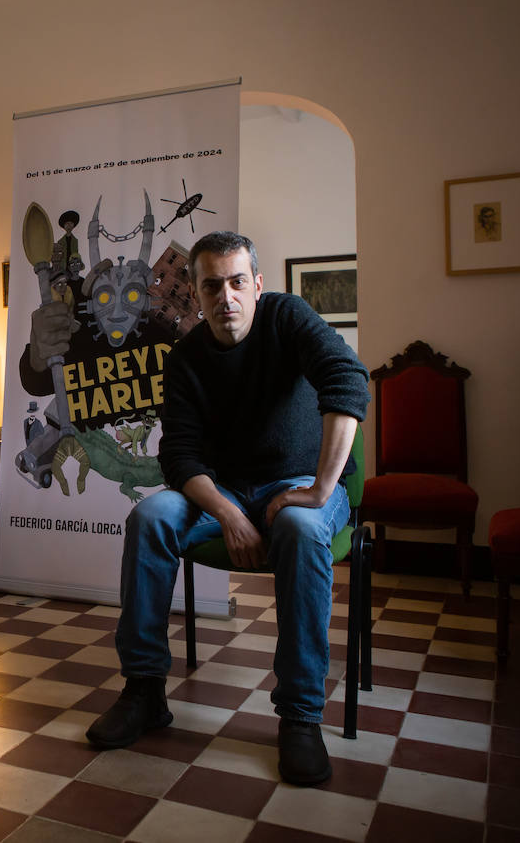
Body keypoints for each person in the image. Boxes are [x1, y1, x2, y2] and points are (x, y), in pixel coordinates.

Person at [85, 231, 369, 786]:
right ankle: (144, 691)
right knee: (149, 518)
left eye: (238, 282)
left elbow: (348, 379)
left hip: (299, 482)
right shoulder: (187, 356)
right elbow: (179, 453)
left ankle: (300, 717)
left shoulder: (287, 318)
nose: (226, 297)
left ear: (257, 285)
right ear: (195, 291)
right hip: (225, 490)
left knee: (302, 526)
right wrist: (230, 515)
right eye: (212, 285)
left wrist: (319, 489)